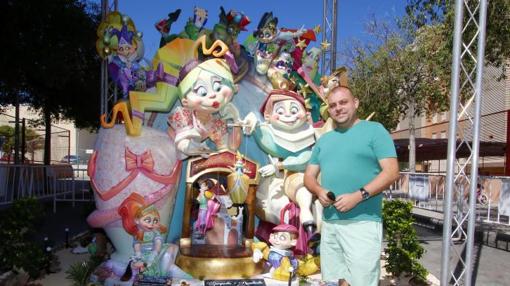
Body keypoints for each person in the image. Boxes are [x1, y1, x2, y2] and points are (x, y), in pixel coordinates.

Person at [303, 86, 399, 285]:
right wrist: (319, 191)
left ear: (355, 103)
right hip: (330, 223)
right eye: (333, 105)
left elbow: (391, 172)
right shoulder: (324, 140)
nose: (338, 108)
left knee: (361, 281)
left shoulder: (375, 131)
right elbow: (309, 177)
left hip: (362, 223)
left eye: (343, 102)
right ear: (328, 111)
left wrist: (358, 196)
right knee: (340, 280)